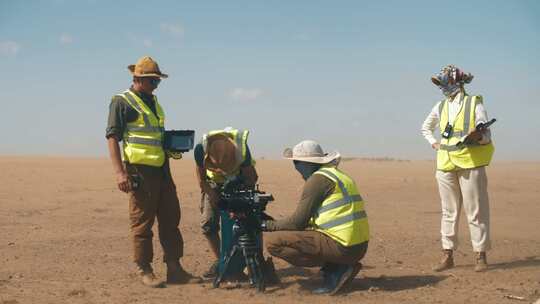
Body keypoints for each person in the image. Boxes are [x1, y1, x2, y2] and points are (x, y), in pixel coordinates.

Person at [106, 56, 198, 287]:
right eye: (152, 82)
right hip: (139, 171)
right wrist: (120, 173)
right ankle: (144, 269)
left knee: (170, 219)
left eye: (158, 82)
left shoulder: (155, 103)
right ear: (137, 78)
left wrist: (172, 146)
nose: (156, 86)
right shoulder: (121, 101)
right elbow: (112, 139)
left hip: (162, 169)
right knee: (142, 222)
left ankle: (174, 269)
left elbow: (154, 135)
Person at [262, 140, 369, 295]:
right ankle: (339, 266)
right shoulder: (337, 175)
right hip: (358, 246)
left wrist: (265, 225)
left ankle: (336, 269)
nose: (295, 167)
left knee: (273, 242)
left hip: (343, 247)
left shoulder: (317, 180)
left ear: (306, 163)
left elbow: (297, 223)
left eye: (296, 162)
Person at [421, 64, 495, 272]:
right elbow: (425, 127)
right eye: (441, 84)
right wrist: (433, 142)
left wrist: (478, 135)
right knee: (448, 211)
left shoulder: (475, 103)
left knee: (476, 211)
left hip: (470, 162)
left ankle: (480, 256)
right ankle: (447, 254)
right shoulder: (440, 106)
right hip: (445, 163)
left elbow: (485, 134)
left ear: (458, 82)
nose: (443, 87)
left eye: (446, 82)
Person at [193, 127, 258, 278]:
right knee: (208, 224)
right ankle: (222, 262)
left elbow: (251, 178)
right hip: (213, 184)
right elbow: (201, 179)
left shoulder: (242, 149)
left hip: (239, 182)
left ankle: (249, 263)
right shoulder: (200, 149)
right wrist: (211, 193)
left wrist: (238, 201)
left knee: (245, 224)